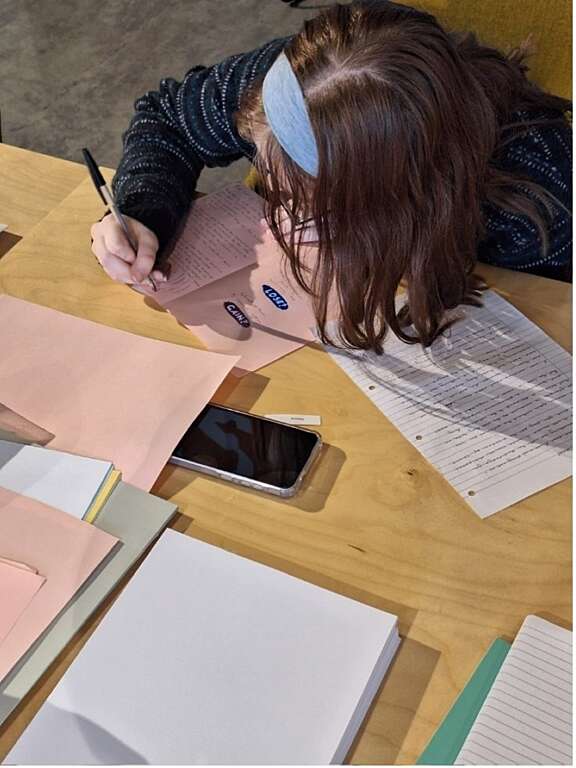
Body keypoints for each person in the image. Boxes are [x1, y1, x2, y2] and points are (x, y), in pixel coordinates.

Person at [91, 0, 571, 352]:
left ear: (384, 194)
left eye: (301, 195)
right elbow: (170, 120)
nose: (287, 214)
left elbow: (549, 322)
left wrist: (404, 255)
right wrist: (143, 210)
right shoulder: (299, 78)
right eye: (263, 162)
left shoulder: (539, 195)